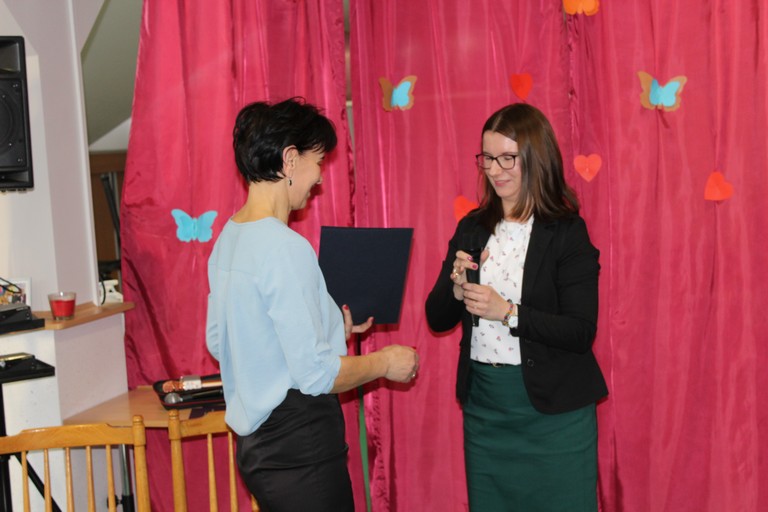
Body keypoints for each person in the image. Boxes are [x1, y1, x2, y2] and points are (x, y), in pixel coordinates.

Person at [206, 97, 419, 512]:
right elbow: (317, 374)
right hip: (300, 448)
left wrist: (328, 329)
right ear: (290, 160)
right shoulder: (285, 247)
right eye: (318, 162)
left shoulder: (228, 239)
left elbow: (223, 341)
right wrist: (386, 362)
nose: (319, 177)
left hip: (258, 450)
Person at [425, 103, 607, 511]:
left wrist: (508, 312)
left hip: (554, 414)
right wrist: (456, 290)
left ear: (535, 157)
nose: (495, 170)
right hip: (487, 409)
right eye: (487, 158)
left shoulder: (567, 232)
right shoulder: (472, 227)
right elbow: (436, 318)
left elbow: (580, 331)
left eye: (508, 158)